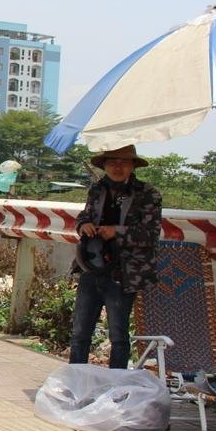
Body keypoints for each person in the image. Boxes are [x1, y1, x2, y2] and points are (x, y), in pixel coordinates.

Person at [69, 145, 162, 369]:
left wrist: (117, 231)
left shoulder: (148, 193)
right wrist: (84, 225)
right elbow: (83, 217)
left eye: (123, 162)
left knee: (118, 334)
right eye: (112, 162)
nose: (118, 167)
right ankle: (75, 379)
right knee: (80, 331)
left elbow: (151, 234)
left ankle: (116, 383)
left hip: (124, 272)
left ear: (132, 166)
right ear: (105, 165)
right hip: (91, 265)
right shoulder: (97, 189)